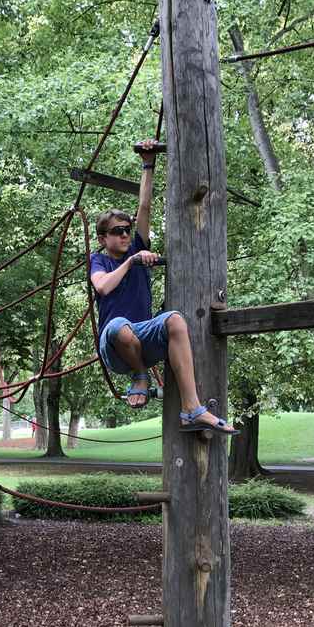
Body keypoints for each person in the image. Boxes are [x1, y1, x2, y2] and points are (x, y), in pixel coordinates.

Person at [88, 139, 238, 435]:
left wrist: (148, 163)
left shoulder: (138, 246)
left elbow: (144, 206)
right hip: (116, 347)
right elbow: (102, 288)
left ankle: (192, 409)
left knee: (175, 320)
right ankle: (139, 375)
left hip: (143, 340)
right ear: (103, 238)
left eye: (127, 230)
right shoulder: (99, 261)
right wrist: (131, 263)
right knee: (119, 325)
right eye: (117, 232)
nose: (125, 235)